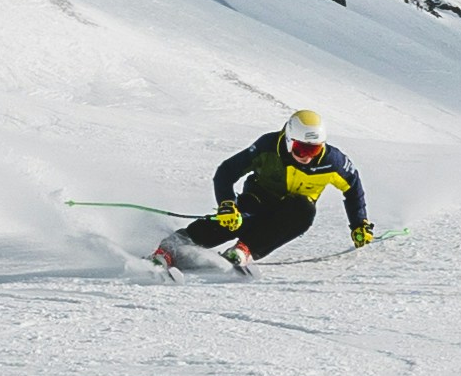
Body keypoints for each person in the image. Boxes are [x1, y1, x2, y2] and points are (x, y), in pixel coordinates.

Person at [157, 109, 374, 270]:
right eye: (300, 148)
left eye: (314, 149)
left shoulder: (332, 161)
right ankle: (172, 247)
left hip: (292, 209)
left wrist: (359, 224)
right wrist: (227, 205)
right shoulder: (268, 147)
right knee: (237, 220)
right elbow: (227, 171)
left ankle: (243, 250)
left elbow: (353, 187)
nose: (307, 156)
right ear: (289, 140)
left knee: (304, 211)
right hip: (259, 197)